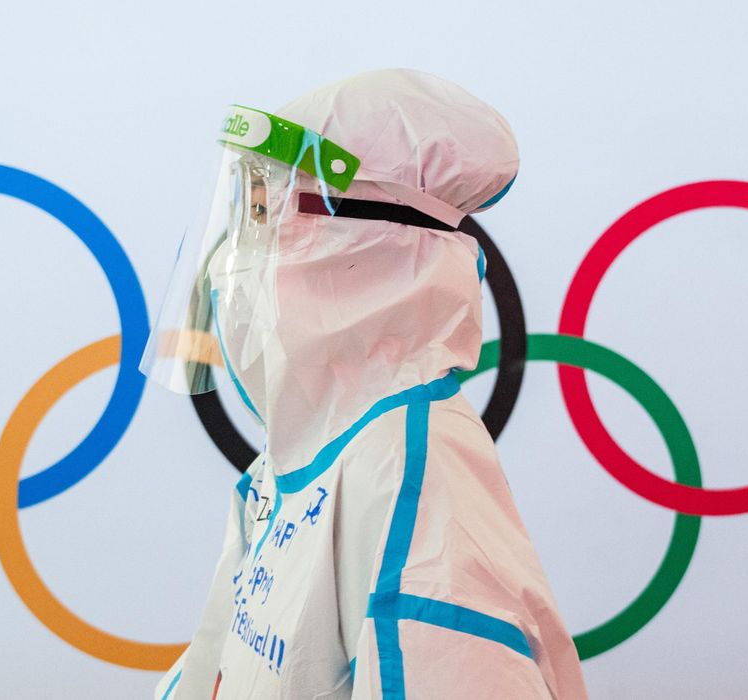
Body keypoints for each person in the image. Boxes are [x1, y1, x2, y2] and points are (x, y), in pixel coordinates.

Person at [139, 67, 588, 700]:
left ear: (375, 241)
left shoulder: (417, 485)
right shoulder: (305, 456)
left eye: (266, 210)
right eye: (241, 207)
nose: (232, 258)